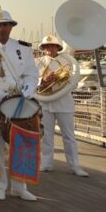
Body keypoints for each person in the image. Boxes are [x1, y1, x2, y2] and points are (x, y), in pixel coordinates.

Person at [0, 7, 39, 201]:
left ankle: (19, 187)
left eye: (5, 25)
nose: (1, 29)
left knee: (20, 145)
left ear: (11, 26)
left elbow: (31, 74)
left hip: (18, 101)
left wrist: (28, 89)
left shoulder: (23, 48)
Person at [36, 35, 88, 177]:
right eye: (46, 46)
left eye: (52, 46)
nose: (49, 48)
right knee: (46, 136)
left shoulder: (67, 61)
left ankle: (74, 166)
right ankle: (46, 163)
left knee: (69, 136)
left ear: (58, 47)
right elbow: (32, 81)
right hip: (45, 103)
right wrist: (43, 80)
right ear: (43, 48)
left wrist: (60, 79)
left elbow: (74, 83)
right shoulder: (38, 63)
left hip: (64, 103)